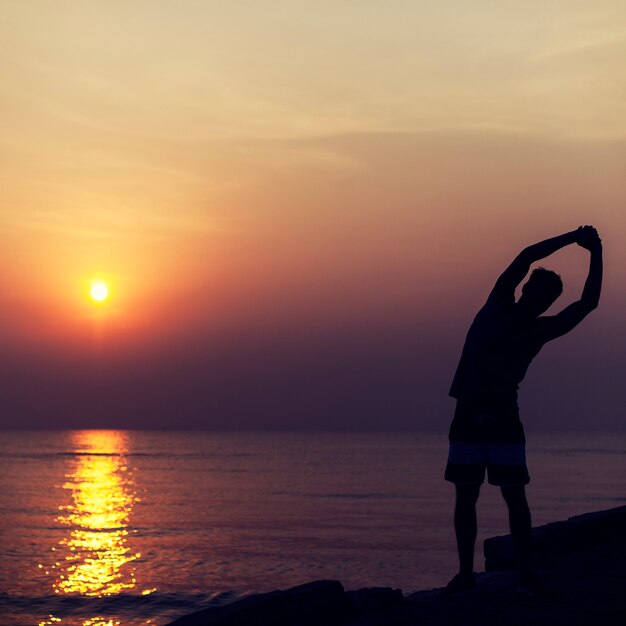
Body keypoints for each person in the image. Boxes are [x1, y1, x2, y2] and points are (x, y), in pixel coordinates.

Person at [444, 226, 603, 596]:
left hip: (503, 418)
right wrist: (571, 238)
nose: (539, 301)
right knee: (465, 497)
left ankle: (527, 572)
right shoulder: (497, 303)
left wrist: (595, 252)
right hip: (468, 415)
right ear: (525, 289)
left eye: (547, 299)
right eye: (536, 292)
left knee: (514, 496)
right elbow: (526, 256)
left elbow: (587, 304)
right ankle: (466, 574)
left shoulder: (539, 331)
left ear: (547, 305)